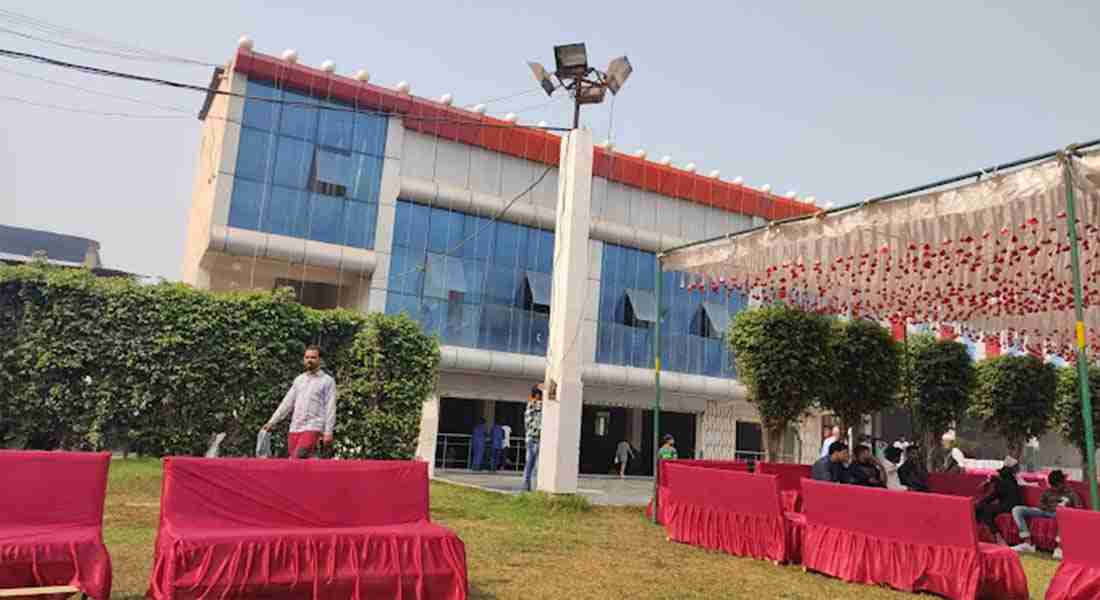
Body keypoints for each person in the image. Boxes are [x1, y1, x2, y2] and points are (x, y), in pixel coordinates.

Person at [262, 345, 337, 459]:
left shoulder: (327, 381)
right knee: (299, 463)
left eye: (313, 357)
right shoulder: (299, 380)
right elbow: (287, 403)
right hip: (295, 427)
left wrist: (328, 432)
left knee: (298, 457)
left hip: (314, 426)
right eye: (307, 357)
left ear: (319, 360)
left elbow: (330, 407)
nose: (309, 360)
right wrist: (272, 421)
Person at [1011, 470, 1083, 556]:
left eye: (1056, 486)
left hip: (1061, 514)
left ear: (1062, 483)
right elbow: (1040, 504)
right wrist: (1051, 508)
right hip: (1044, 511)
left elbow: (1079, 508)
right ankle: (1027, 543)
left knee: (1065, 517)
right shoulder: (1048, 491)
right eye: (1052, 486)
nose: (1054, 488)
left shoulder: (1071, 494)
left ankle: (1059, 548)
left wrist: (1066, 510)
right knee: (1017, 509)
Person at [975, 461, 1024, 543]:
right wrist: (989, 481)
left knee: (986, 510)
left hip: (1008, 507)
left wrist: (979, 502)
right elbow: (994, 479)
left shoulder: (1001, 483)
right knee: (983, 507)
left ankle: (998, 536)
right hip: (1015, 505)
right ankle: (981, 532)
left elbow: (992, 497)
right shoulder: (1012, 481)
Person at [523, 385, 543, 492]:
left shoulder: (530, 404)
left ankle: (527, 487)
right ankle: (532, 487)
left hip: (530, 438)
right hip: (534, 438)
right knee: (534, 464)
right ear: (537, 394)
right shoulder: (534, 404)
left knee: (530, 464)